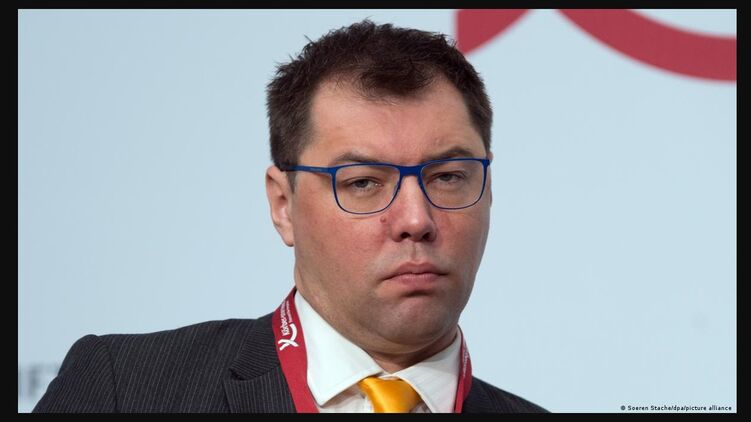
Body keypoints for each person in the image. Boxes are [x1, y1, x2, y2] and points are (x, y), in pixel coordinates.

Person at [33, 19, 547, 413]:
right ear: (283, 205)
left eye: (448, 177)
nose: (416, 219)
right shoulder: (125, 389)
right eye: (362, 183)